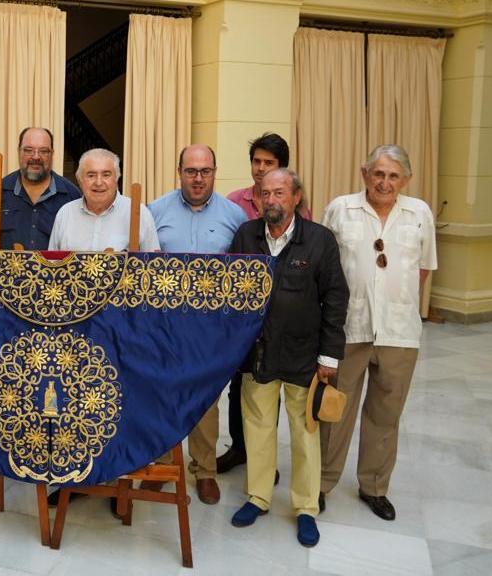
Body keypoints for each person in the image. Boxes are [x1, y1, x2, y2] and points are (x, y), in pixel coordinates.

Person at [228, 168, 348, 548]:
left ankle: (306, 508)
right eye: (265, 193)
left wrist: (330, 355)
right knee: (258, 427)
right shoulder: (246, 235)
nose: (272, 200)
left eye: (280, 193)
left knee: (304, 433)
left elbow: (336, 299)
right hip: (257, 354)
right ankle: (258, 497)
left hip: (304, 355)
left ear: (297, 197)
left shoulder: (320, 240)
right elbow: (232, 293)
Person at [320, 145, 437, 520]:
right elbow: (326, 270)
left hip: (399, 333)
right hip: (348, 328)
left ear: (406, 179)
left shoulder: (419, 214)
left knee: (385, 414)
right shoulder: (341, 209)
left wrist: (395, 302)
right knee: (334, 410)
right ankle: (321, 482)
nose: (385, 182)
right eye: (378, 173)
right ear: (364, 173)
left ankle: (374, 486)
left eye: (393, 175)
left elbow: (422, 270)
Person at [147, 144, 248, 505]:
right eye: (191, 171)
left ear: (215, 172)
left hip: (210, 329)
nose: (198, 178)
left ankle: (204, 470)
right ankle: (160, 465)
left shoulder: (233, 215)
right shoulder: (154, 211)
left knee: (205, 399)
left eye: (205, 171)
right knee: (163, 393)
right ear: (179, 172)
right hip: (164, 326)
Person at [219, 132, 308, 474]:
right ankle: (240, 449)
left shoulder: (298, 204)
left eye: (268, 163)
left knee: (272, 390)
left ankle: (264, 459)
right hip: (245, 317)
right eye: (256, 162)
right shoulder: (233, 202)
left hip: (283, 313)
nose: (260, 169)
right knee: (240, 384)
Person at [0, 127, 81, 249]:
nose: (36, 157)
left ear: (52, 154)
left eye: (43, 151)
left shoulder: (72, 196)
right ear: (18, 152)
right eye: (28, 150)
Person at [48, 148, 159, 251]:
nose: (99, 182)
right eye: (91, 175)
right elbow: (51, 265)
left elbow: (153, 267)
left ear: (117, 179)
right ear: (80, 180)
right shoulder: (65, 214)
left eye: (106, 175)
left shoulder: (139, 214)